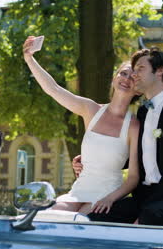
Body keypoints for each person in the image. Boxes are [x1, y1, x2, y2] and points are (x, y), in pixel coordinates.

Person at [75, 47, 163, 225]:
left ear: (160, 70)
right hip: (145, 195)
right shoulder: (142, 112)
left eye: (140, 68)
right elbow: (138, 156)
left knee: (150, 215)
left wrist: (149, 204)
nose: (134, 74)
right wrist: (92, 158)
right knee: (96, 215)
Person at [23, 36, 140, 215]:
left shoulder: (134, 126)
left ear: (138, 89)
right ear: (114, 79)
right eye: (123, 73)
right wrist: (29, 59)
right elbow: (53, 89)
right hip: (78, 192)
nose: (126, 79)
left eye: (133, 77)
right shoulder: (91, 109)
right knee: (44, 214)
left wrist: (111, 198)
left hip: (107, 196)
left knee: (78, 221)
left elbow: (133, 177)